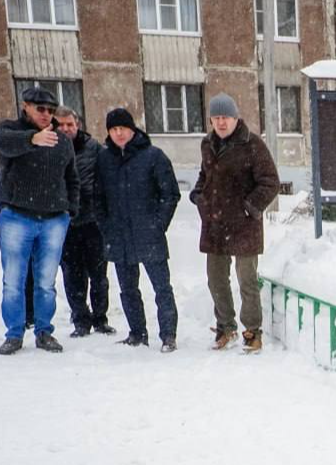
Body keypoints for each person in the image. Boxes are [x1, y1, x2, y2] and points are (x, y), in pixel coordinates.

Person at [190, 93, 280, 353]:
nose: (221, 122)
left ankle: (252, 331)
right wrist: (198, 195)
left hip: (244, 226)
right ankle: (225, 327)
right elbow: (204, 174)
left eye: (225, 117)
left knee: (247, 282)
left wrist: (249, 207)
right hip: (215, 225)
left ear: (235, 118)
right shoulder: (207, 144)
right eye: (216, 118)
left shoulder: (252, 144)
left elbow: (271, 181)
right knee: (216, 280)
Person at [0, 85, 79, 355]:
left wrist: (70, 210)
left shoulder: (61, 141)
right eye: (40, 109)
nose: (46, 114)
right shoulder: (10, 130)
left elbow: (72, 178)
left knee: (46, 282)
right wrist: (32, 139)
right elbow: (5, 143)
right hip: (17, 216)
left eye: (50, 111)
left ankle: (44, 332)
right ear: (25, 106)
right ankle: (14, 334)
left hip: (54, 219)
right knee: (13, 281)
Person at [95, 108, 180, 353]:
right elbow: (97, 197)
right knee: (128, 289)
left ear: (133, 129)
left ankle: (168, 335)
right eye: (113, 129)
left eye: (123, 128)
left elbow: (170, 194)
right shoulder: (104, 159)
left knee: (162, 287)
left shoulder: (153, 156)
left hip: (149, 235)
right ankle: (137, 333)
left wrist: (158, 225)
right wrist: (106, 227)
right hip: (119, 237)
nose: (119, 133)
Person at [53, 106, 115, 337]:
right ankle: (80, 320)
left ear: (77, 125)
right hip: (64, 224)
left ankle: (100, 319)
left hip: (93, 222)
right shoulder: (49, 148)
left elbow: (107, 179)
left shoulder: (94, 149)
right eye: (60, 125)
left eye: (70, 124)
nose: (66, 129)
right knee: (72, 274)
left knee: (99, 274)